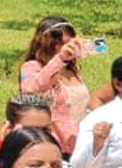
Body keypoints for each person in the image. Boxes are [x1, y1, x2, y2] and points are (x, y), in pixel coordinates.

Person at [19, 16, 91, 154]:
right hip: (51, 147)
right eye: (61, 43)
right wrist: (60, 59)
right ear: (46, 43)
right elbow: (32, 91)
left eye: (71, 42)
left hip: (80, 147)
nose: (67, 48)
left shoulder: (72, 69)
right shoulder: (32, 67)